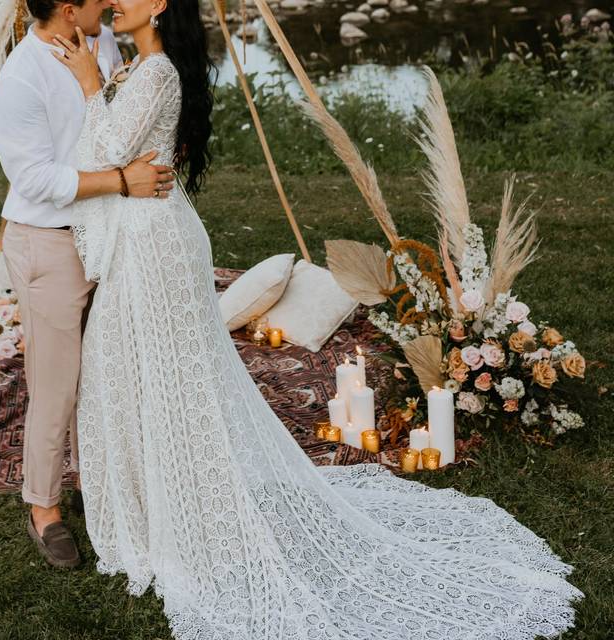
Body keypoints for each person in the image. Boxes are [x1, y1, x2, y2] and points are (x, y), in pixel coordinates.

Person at [51, 0, 585, 636]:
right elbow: (101, 161)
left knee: (172, 373)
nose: (113, 0)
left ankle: (190, 504)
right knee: (126, 365)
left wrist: (89, 89)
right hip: (136, 240)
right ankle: (152, 504)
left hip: (155, 245)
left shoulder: (159, 71)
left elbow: (107, 150)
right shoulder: (132, 68)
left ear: (161, 5)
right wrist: (99, 98)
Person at [0, 0, 177, 569]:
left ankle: (112, 484)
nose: (112, 2)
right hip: (51, 243)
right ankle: (43, 507)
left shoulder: (104, 42)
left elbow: (116, 122)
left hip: (115, 238)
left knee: (112, 368)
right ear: (69, 9)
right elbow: (37, 180)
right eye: (98, 0)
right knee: (57, 380)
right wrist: (123, 180)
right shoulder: (19, 80)